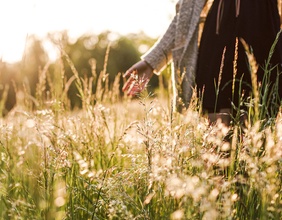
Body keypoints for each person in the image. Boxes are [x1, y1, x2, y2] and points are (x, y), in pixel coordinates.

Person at [123, 0, 282, 124]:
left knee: (258, 129)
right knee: (218, 135)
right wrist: (152, 61)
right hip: (220, 35)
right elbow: (186, 13)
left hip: (265, 33)